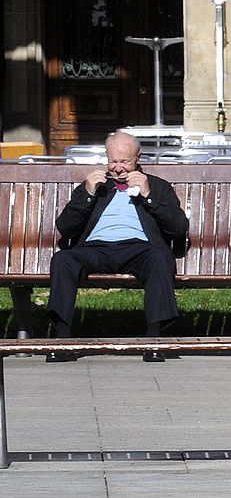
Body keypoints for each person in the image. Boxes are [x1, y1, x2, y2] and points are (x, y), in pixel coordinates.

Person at [47, 131, 189, 363]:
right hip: (95, 248)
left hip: (139, 249)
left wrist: (148, 196)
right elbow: (65, 226)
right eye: (113, 161)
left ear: (138, 158)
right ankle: (62, 340)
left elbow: (179, 227)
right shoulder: (95, 186)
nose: (118, 168)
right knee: (63, 259)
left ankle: (154, 340)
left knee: (160, 259)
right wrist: (88, 194)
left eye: (124, 161)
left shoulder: (158, 186)